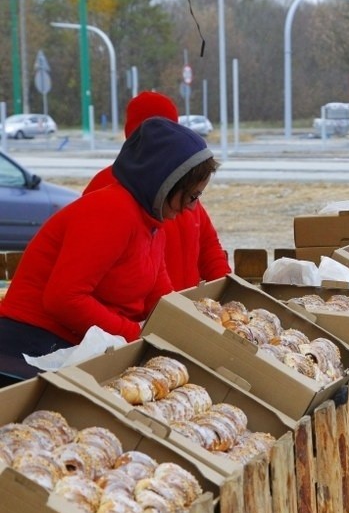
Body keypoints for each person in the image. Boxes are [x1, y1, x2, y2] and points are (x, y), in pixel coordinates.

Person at [0, 118, 219, 384]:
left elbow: (159, 297)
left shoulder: (151, 224)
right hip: (30, 349)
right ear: (165, 182)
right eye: (192, 196)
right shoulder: (111, 212)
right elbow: (64, 298)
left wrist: (195, 329)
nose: (192, 208)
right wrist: (133, 333)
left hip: (69, 346)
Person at [84, 91, 231, 290]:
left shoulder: (183, 184)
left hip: (183, 308)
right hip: (143, 314)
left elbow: (209, 247)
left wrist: (226, 291)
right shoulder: (107, 187)